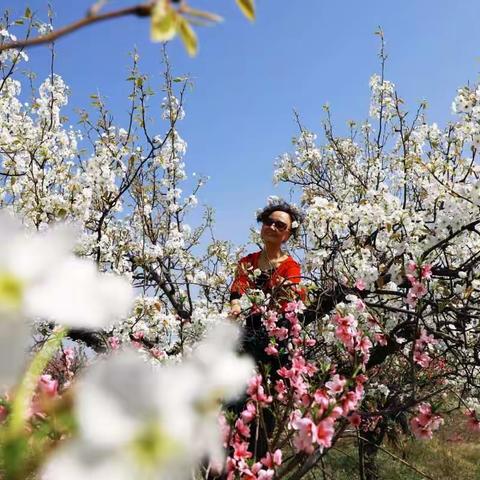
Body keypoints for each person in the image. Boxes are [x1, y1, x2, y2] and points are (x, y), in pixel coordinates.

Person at [228, 200, 305, 459]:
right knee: (232, 403)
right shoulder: (247, 262)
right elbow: (237, 290)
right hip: (245, 339)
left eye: (279, 224)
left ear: (288, 234)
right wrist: (236, 304)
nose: (272, 227)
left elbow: (289, 297)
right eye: (268, 221)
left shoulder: (291, 267)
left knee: (263, 411)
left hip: (273, 344)